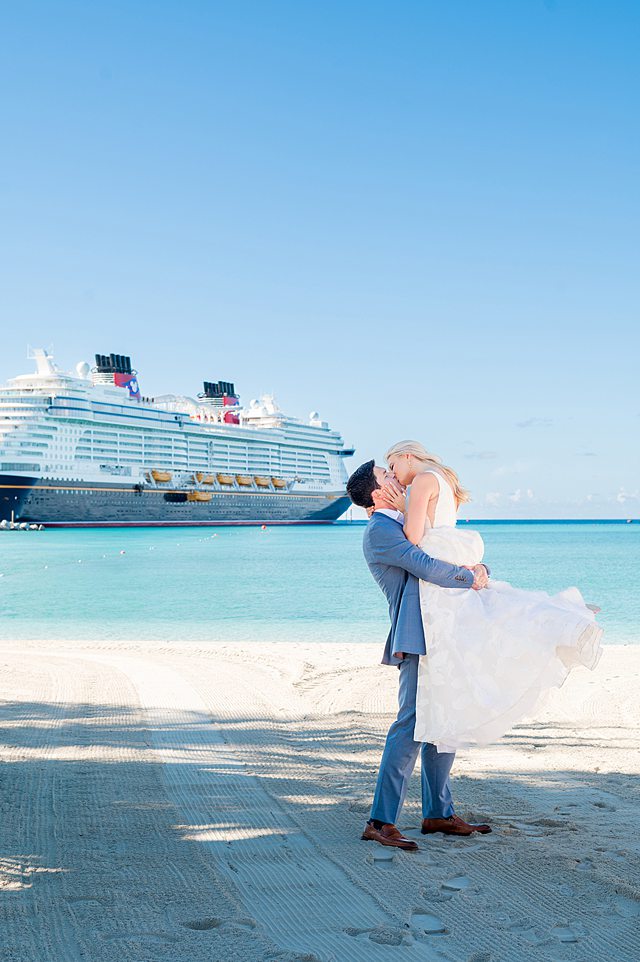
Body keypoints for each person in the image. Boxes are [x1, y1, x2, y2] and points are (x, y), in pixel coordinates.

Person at [383, 440, 603, 754]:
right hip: (454, 560)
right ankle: (566, 616)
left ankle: (567, 618)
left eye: (392, 465)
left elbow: (414, 538)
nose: (393, 474)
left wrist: (404, 508)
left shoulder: (421, 481)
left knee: (455, 655)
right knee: (497, 612)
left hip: (439, 577)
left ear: (408, 455)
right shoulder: (446, 478)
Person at [346, 460, 492, 852]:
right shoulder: (380, 530)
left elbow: (438, 546)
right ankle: (379, 821)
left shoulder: (401, 522)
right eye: (387, 476)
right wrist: (469, 577)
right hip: (416, 637)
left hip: (442, 632)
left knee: (445, 720)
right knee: (410, 724)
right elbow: (424, 565)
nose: (396, 478)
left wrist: (476, 568)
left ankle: (438, 814)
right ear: (377, 494)